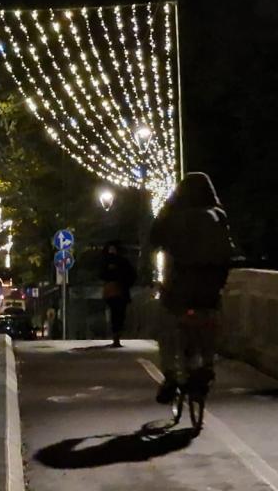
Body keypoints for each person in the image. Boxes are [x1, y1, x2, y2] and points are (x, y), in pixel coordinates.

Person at [149, 172, 234, 404]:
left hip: (179, 288)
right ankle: (207, 364)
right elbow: (229, 251)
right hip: (209, 288)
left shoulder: (172, 216)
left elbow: (153, 241)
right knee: (210, 321)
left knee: (165, 328)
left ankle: (170, 376)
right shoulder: (218, 215)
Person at [99, 241, 136, 348]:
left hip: (120, 290)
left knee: (119, 313)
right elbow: (101, 274)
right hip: (113, 290)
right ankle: (116, 336)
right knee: (116, 313)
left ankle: (117, 336)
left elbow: (131, 275)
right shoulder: (107, 261)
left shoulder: (121, 262)